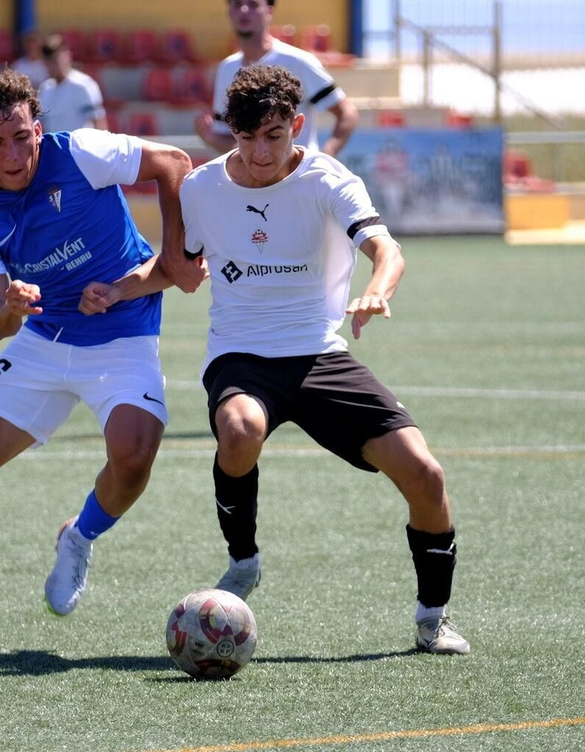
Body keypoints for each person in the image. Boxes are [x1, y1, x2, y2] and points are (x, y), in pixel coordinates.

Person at [90, 64, 469, 655]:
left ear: (296, 125)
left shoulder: (328, 179)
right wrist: (117, 289)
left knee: (426, 475)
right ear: (229, 132)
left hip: (321, 353)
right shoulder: (202, 187)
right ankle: (244, 560)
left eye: (273, 135)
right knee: (239, 428)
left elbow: (385, 248)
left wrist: (377, 290)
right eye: (245, 138)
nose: (259, 152)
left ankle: (432, 617)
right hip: (241, 353)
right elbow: (179, 269)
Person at [0, 70, 204, 652]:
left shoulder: (83, 150)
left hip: (123, 334)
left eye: (22, 136)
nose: (13, 154)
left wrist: (175, 254)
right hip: (41, 343)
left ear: (39, 128)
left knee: (134, 459)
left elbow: (173, 162)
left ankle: (80, 534)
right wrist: (10, 307)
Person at [196, 0, 359, 157]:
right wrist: (211, 137)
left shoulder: (298, 61)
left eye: (253, 4)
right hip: (254, 183)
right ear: (229, 11)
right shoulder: (227, 68)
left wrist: (327, 154)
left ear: (270, 11)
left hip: (299, 179)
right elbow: (233, 142)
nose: (243, 10)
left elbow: (347, 113)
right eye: (236, 3)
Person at [38, 34, 106, 133]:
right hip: (54, 148)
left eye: (56, 60)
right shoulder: (45, 89)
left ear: (67, 56)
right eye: (48, 62)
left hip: (80, 148)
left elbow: (99, 123)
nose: (53, 66)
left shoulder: (84, 85)